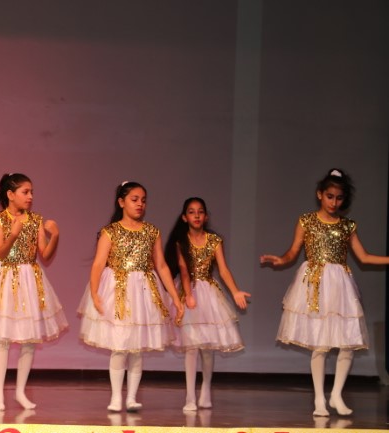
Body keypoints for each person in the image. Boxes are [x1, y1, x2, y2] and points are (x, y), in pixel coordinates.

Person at [260, 168, 388, 417]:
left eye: (339, 198)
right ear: (320, 194)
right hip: (315, 284)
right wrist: (281, 259)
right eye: (330, 197)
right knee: (320, 344)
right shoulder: (306, 221)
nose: (334, 202)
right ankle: (319, 399)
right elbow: (292, 252)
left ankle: (337, 395)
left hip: (340, 286)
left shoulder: (347, 226)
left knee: (347, 343)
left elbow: (363, 257)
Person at [78, 181, 184, 412]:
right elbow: (98, 264)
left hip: (143, 292)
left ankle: (132, 397)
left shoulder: (151, 231)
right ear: (121, 202)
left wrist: (175, 298)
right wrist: (94, 292)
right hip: (118, 292)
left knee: (136, 348)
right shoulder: (110, 232)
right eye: (134, 199)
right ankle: (116, 397)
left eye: (143, 200)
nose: (139, 204)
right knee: (119, 345)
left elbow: (161, 266)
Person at [0, 173, 68, 411]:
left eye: (32, 192)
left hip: (28, 279)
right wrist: (14, 232)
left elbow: (45, 255)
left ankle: (20, 392)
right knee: (3, 338)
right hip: (5, 278)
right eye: (25, 192)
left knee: (29, 340)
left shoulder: (35, 220)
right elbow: (1, 252)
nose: (30, 197)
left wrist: (55, 236)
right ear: (10, 194)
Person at [164, 197, 251, 411]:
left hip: (209, 294)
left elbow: (223, 270)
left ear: (205, 216)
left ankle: (205, 390)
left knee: (207, 348)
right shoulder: (181, 241)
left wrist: (235, 291)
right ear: (184, 217)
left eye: (200, 211)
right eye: (191, 212)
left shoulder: (214, 240)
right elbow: (184, 270)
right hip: (189, 292)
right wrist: (188, 295)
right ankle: (190, 397)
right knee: (191, 347)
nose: (196, 215)